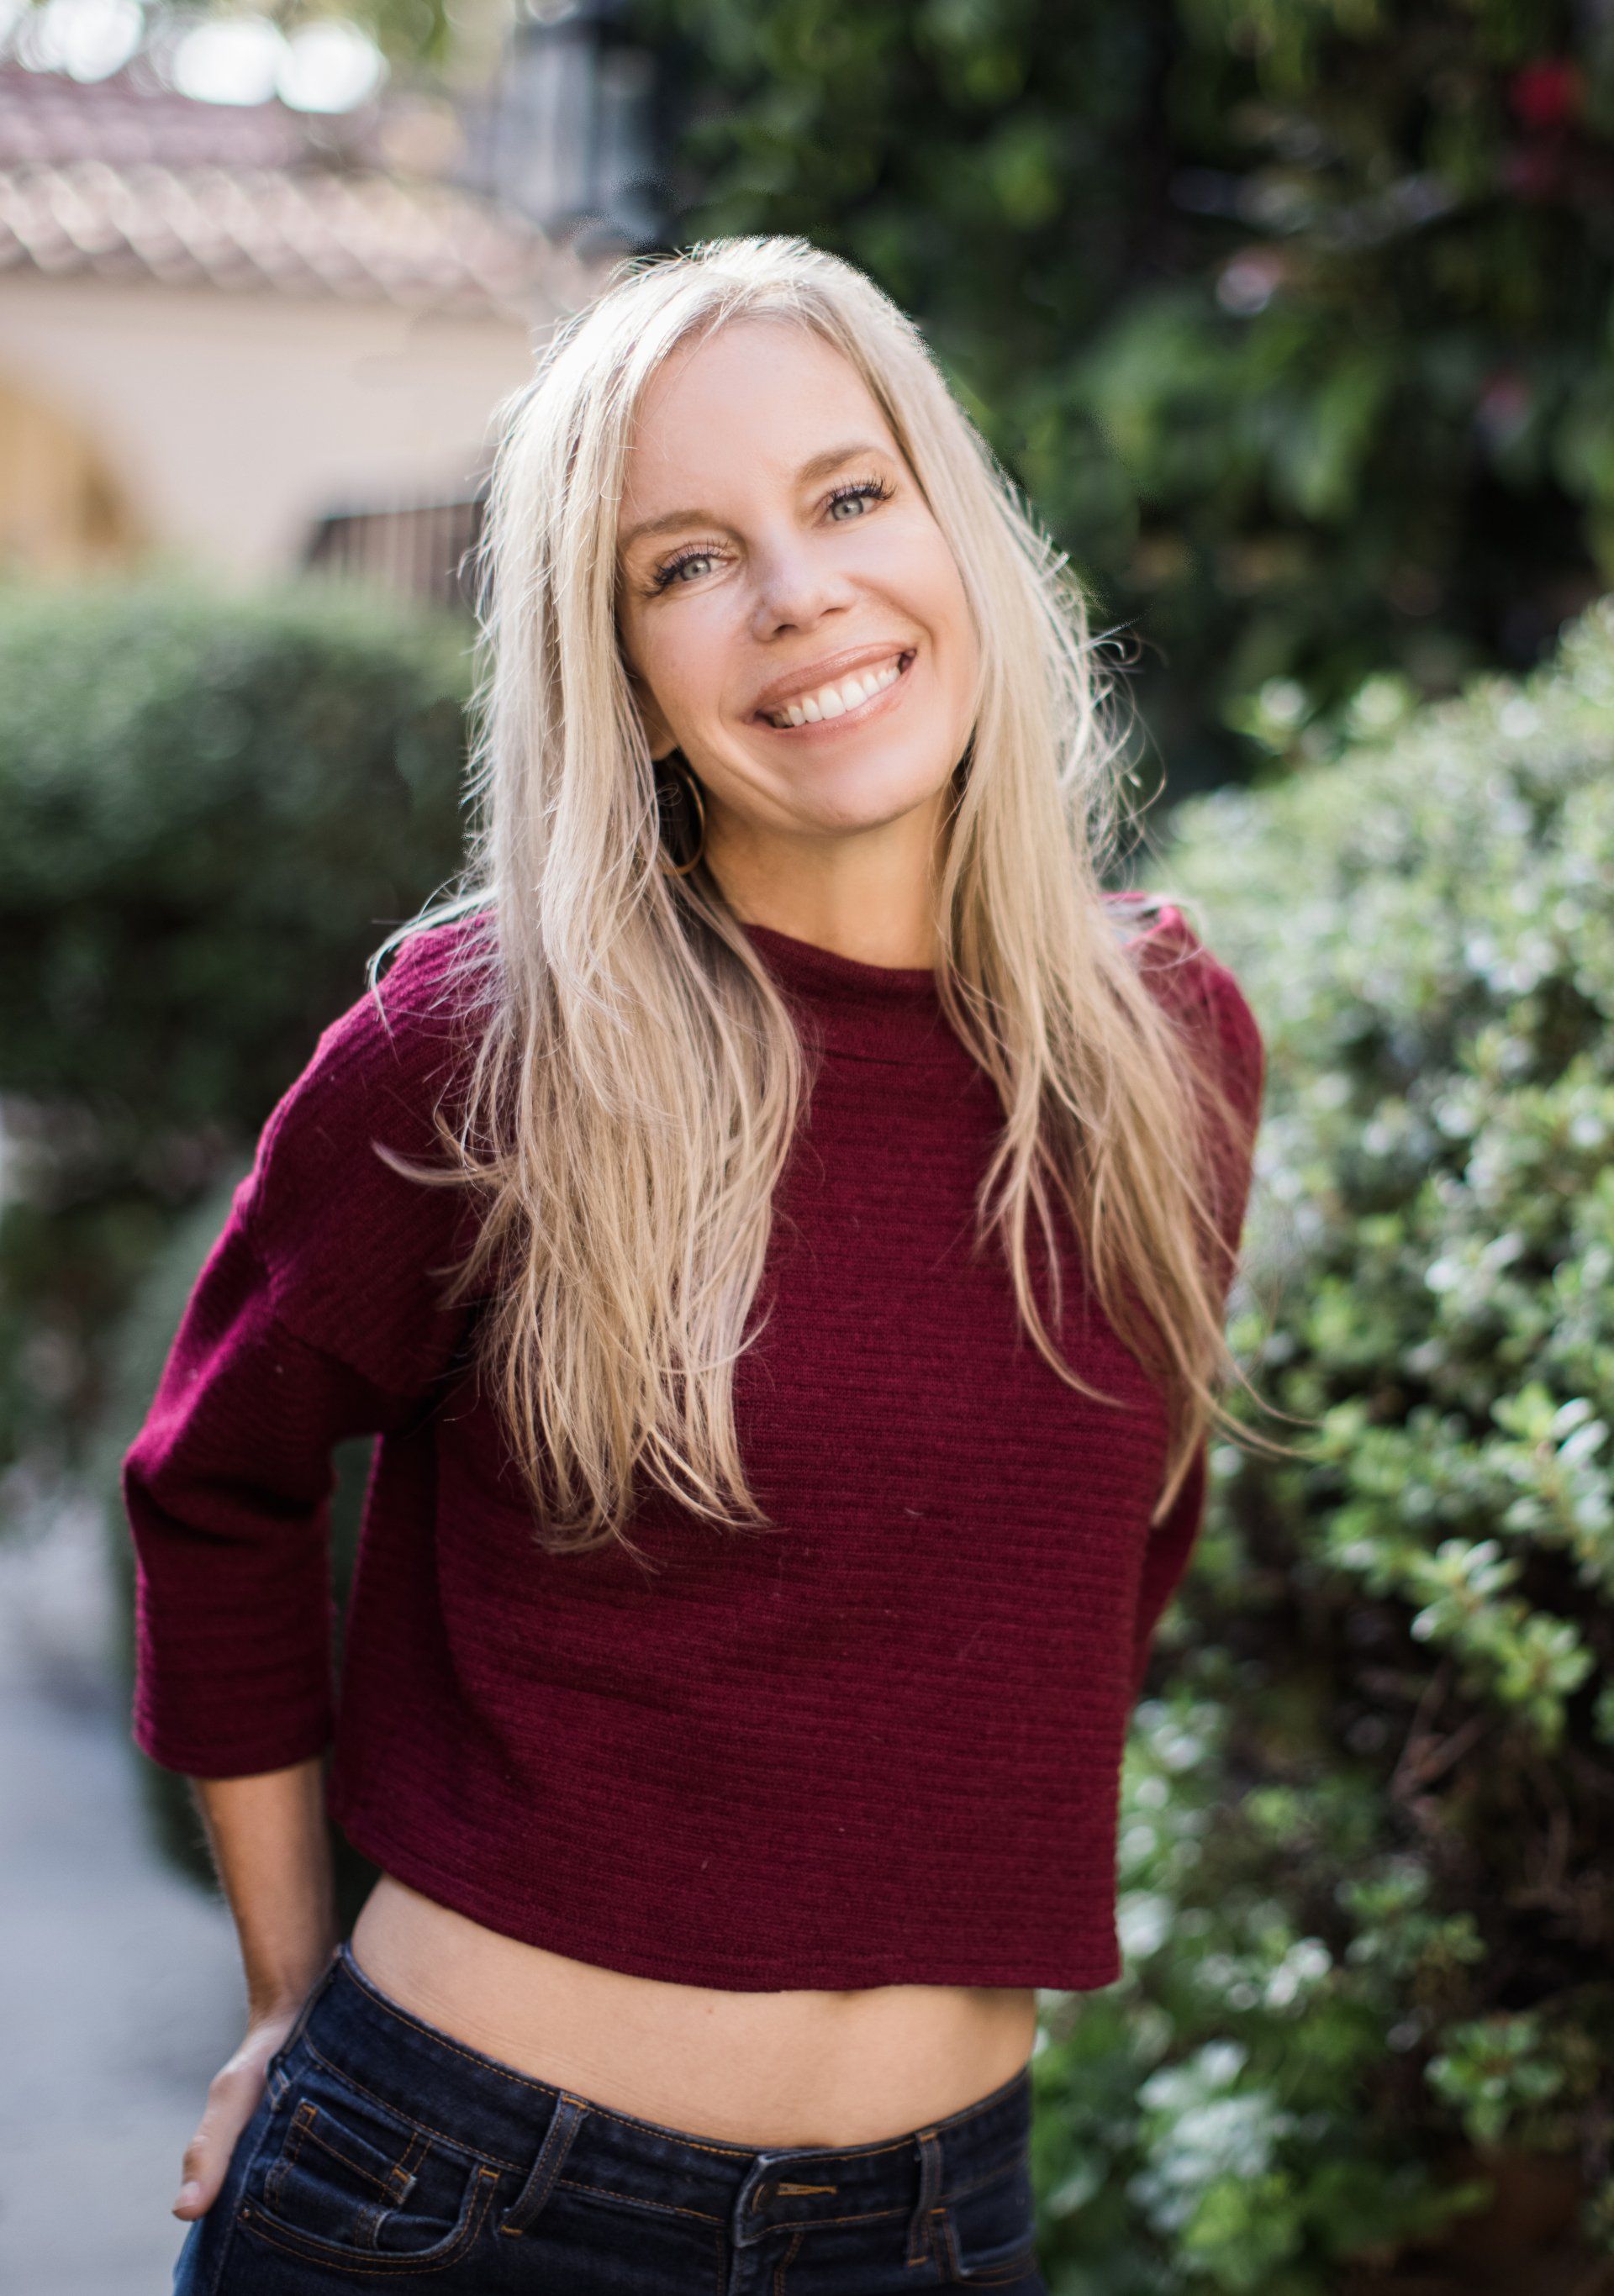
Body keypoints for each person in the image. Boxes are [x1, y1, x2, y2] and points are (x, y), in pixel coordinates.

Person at [124, 234, 1265, 2296]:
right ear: (618, 660)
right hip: (456, 2199)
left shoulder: (1170, 1048)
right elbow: (215, 1479)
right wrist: (294, 1997)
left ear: (954, 522)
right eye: (684, 561)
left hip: (947, 2218)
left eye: (848, 496)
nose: (799, 593)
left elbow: (1093, 1570)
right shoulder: (490, 1046)